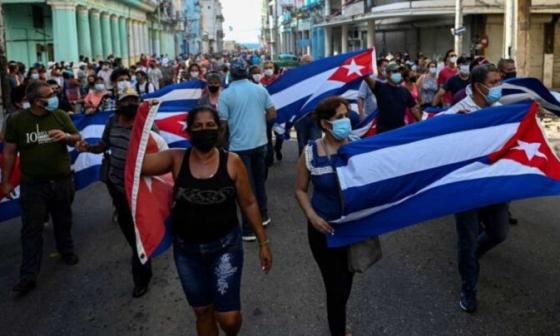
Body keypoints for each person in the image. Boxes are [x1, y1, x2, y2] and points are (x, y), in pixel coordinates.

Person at [141, 106, 272, 336]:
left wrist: (263, 242)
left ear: (219, 129)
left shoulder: (232, 162)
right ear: (189, 131)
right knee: (202, 312)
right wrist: (136, 125)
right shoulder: (176, 158)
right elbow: (136, 165)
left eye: (210, 125)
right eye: (198, 126)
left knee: (229, 319)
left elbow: (249, 202)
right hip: (187, 252)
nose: (205, 130)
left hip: (225, 248)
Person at [1, 81, 81, 295]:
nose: (54, 97)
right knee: (31, 229)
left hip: (62, 181)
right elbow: (9, 152)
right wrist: (6, 181)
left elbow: (77, 139)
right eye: (50, 94)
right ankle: (28, 275)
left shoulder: (60, 116)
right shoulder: (18, 121)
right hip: (33, 185)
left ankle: (67, 251)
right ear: (37, 101)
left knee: (63, 220)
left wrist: (67, 137)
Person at [442, 64, 509, 313]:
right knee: (467, 242)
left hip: (493, 185)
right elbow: (440, 145)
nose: (497, 87)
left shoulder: (502, 112)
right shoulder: (458, 112)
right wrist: (456, 130)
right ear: (477, 86)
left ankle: (473, 256)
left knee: (499, 233)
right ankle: (468, 289)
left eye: (499, 81)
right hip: (466, 189)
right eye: (493, 83)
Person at [75, 85, 153, 298]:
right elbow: (103, 145)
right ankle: (142, 254)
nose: (130, 105)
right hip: (116, 185)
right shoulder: (112, 121)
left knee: (139, 232)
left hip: (138, 188)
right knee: (129, 230)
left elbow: (156, 149)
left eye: (134, 100)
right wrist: (88, 148)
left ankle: (141, 276)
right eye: (126, 101)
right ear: (118, 104)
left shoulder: (144, 124)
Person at [295, 96, 355, 336]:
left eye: (347, 116)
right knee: (335, 287)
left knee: (347, 282)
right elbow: (300, 189)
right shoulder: (310, 152)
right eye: (339, 117)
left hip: (353, 230)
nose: (346, 121)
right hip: (323, 232)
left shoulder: (359, 147)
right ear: (325, 124)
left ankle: (337, 325)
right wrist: (311, 216)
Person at [218, 59, 276, 241]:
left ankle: (249, 229)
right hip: (260, 143)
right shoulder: (260, 89)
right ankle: (264, 215)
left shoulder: (226, 95)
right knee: (259, 182)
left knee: (245, 187)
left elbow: (223, 124)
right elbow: (272, 113)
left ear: (231, 74)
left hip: (238, 147)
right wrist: (259, 125)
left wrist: (219, 146)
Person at [364, 62, 421, 133]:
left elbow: (414, 109)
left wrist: (422, 124)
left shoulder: (404, 91)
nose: (398, 73)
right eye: (394, 71)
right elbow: (366, 77)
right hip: (383, 131)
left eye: (399, 71)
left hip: (400, 130)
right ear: (387, 74)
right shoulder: (380, 87)